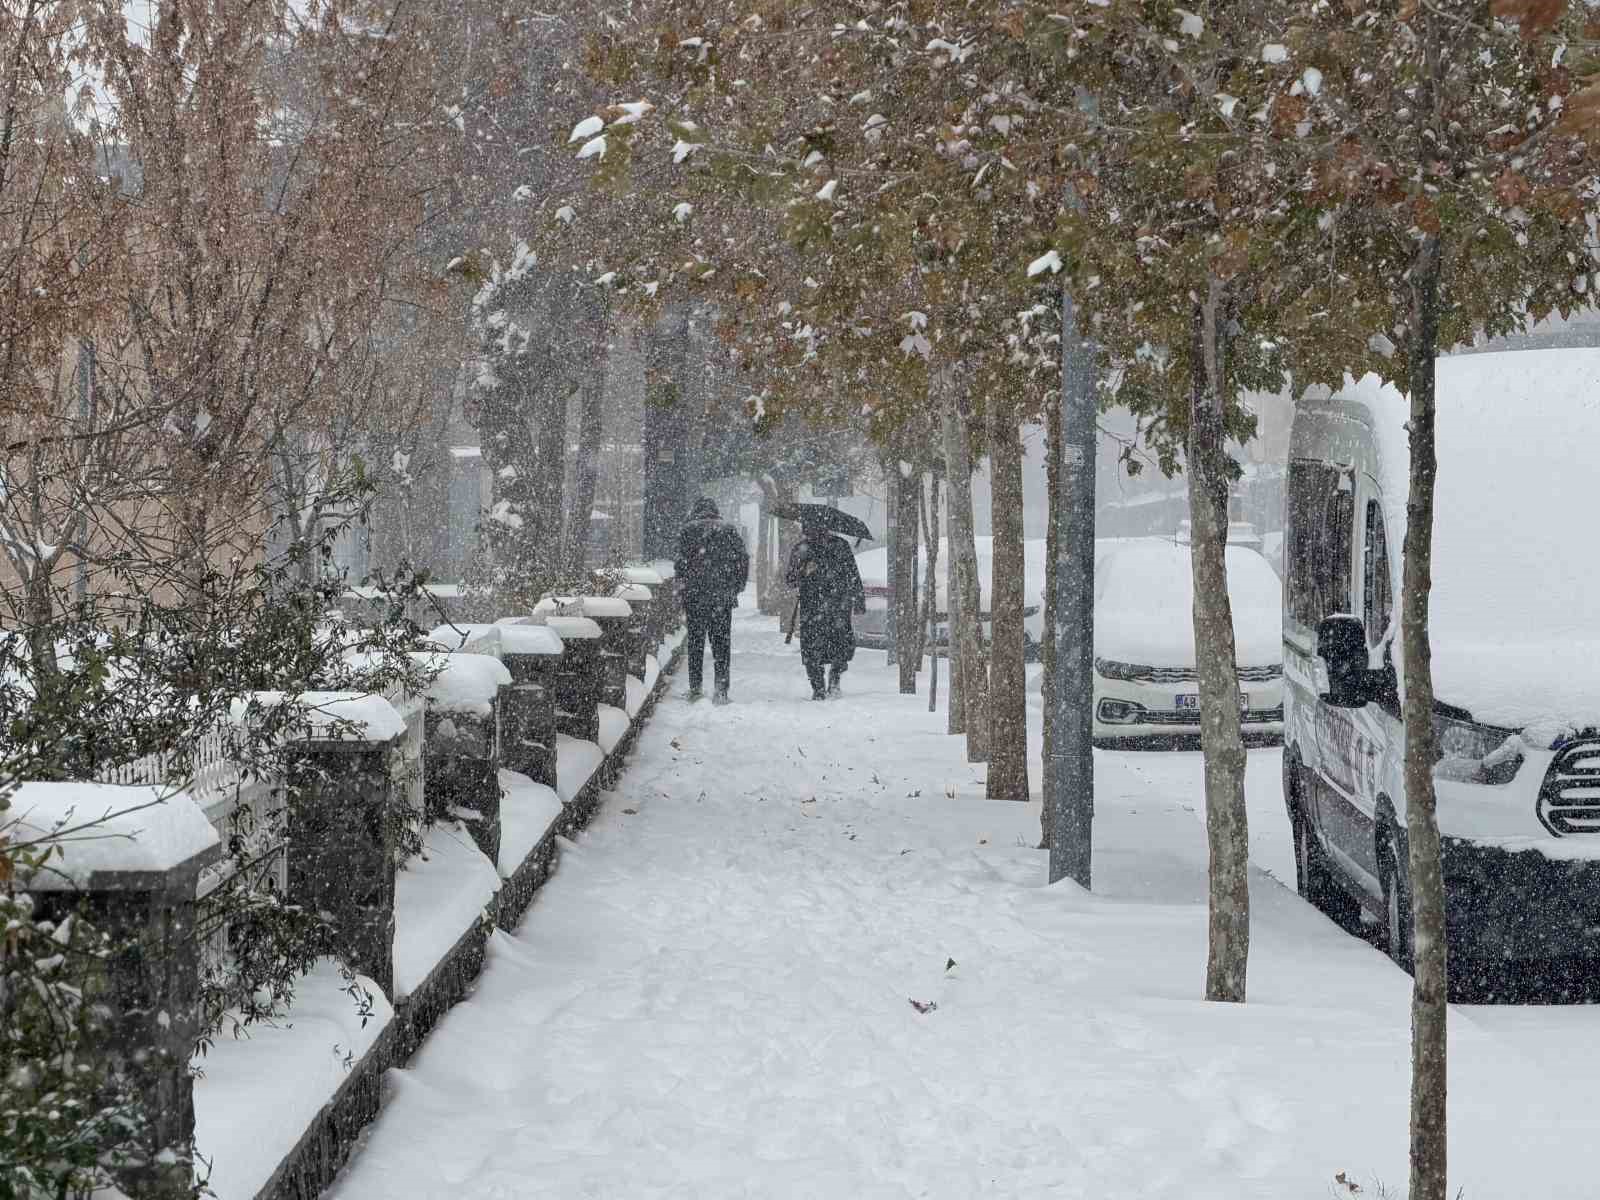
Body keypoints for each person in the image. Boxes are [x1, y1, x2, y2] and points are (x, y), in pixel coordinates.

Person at [674, 497, 749, 704]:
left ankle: (695, 688)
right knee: (721, 645)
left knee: (696, 644)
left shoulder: (688, 530)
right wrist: (736, 586)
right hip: (722, 598)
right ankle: (721, 689)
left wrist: (683, 588)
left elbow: (680, 564)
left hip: (695, 597)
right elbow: (743, 559)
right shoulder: (729, 530)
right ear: (715, 511)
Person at [785, 520, 867, 700]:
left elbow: (852, 573)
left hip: (832, 606)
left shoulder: (836, 546)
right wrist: (804, 570)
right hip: (820, 606)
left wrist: (858, 599)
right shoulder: (804, 549)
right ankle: (821, 686)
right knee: (820, 648)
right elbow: (790, 580)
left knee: (834, 647)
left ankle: (829, 683)